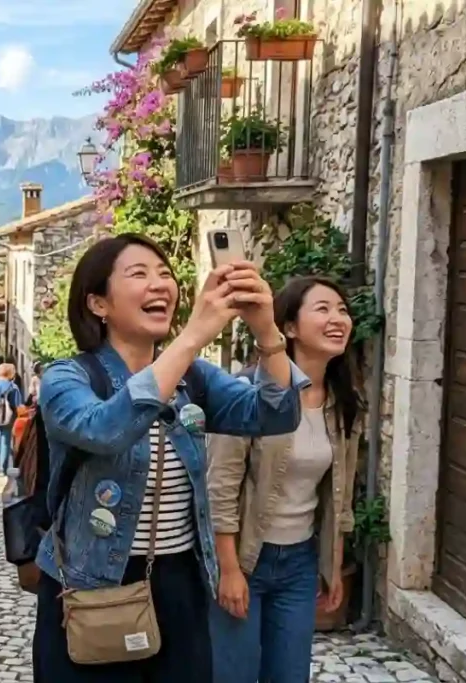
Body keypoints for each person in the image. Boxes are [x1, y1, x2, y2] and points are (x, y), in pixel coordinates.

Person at [32, 234, 308, 683]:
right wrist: (193, 336)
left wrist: (265, 330)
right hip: (92, 586)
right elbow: (106, 429)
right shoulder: (68, 377)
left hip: (180, 583)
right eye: (139, 274)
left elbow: (276, 414)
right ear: (98, 303)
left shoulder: (194, 378)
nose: (159, 284)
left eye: (164, 274)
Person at [207, 276, 365, 683]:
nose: (338, 319)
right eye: (323, 309)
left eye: (343, 310)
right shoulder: (246, 392)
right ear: (289, 327)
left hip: (298, 564)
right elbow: (220, 488)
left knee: (290, 676)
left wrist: (333, 564)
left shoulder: (344, 403)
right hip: (244, 558)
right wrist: (228, 570)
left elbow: (339, 495)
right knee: (235, 676)